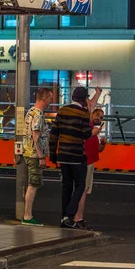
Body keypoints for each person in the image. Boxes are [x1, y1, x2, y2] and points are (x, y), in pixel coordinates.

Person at [50, 87, 102, 229]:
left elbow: (54, 133)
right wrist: (94, 132)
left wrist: (53, 154)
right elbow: (85, 134)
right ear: (84, 99)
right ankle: (69, 214)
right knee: (80, 186)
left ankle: (63, 218)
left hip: (63, 155)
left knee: (66, 186)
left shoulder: (62, 111)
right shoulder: (83, 113)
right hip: (77, 155)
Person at [22, 87, 54, 226]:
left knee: (33, 183)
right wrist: (41, 156)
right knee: (33, 184)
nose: (51, 101)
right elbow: (36, 136)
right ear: (44, 98)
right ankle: (27, 216)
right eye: (50, 98)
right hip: (34, 154)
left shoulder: (30, 112)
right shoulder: (39, 115)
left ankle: (27, 215)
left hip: (28, 151)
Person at [72, 108, 107, 231]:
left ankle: (77, 217)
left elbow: (98, 149)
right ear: (91, 114)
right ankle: (78, 218)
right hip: (84, 162)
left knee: (84, 190)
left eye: (101, 117)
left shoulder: (94, 130)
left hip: (89, 161)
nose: (99, 118)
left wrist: (102, 143)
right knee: (82, 190)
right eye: (97, 114)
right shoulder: (88, 128)